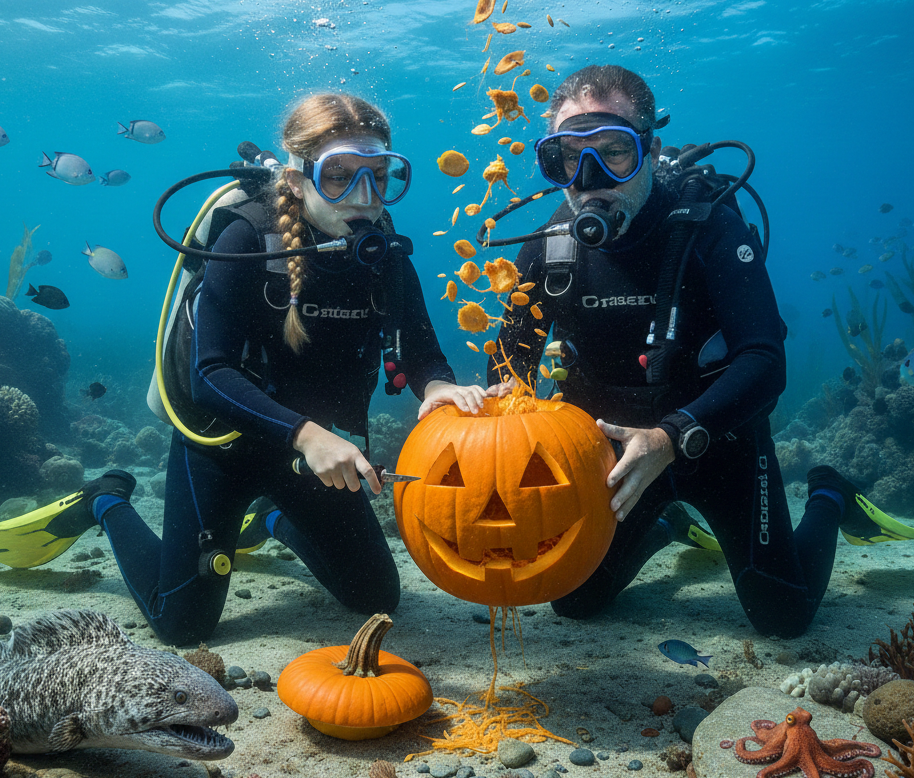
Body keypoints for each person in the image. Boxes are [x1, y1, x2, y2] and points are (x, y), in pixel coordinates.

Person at [25, 93, 486, 645]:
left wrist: (438, 387)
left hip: (308, 457)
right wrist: (307, 434)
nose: (365, 197)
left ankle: (270, 519)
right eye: (338, 176)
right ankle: (106, 499)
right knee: (182, 626)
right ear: (296, 179)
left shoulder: (384, 253)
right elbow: (210, 374)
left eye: (379, 176)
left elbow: (422, 350)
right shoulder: (245, 240)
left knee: (377, 598)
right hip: (220, 447)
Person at [486, 64, 912, 639]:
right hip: (614, 460)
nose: (588, 178)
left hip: (718, 441)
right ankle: (663, 522)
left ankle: (830, 491)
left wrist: (670, 437)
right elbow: (508, 373)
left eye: (614, 152)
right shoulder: (551, 250)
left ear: (650, 148)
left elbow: (765, 360)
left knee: (783, 614)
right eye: (566, 156)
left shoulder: (708, 227)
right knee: (576, 601)